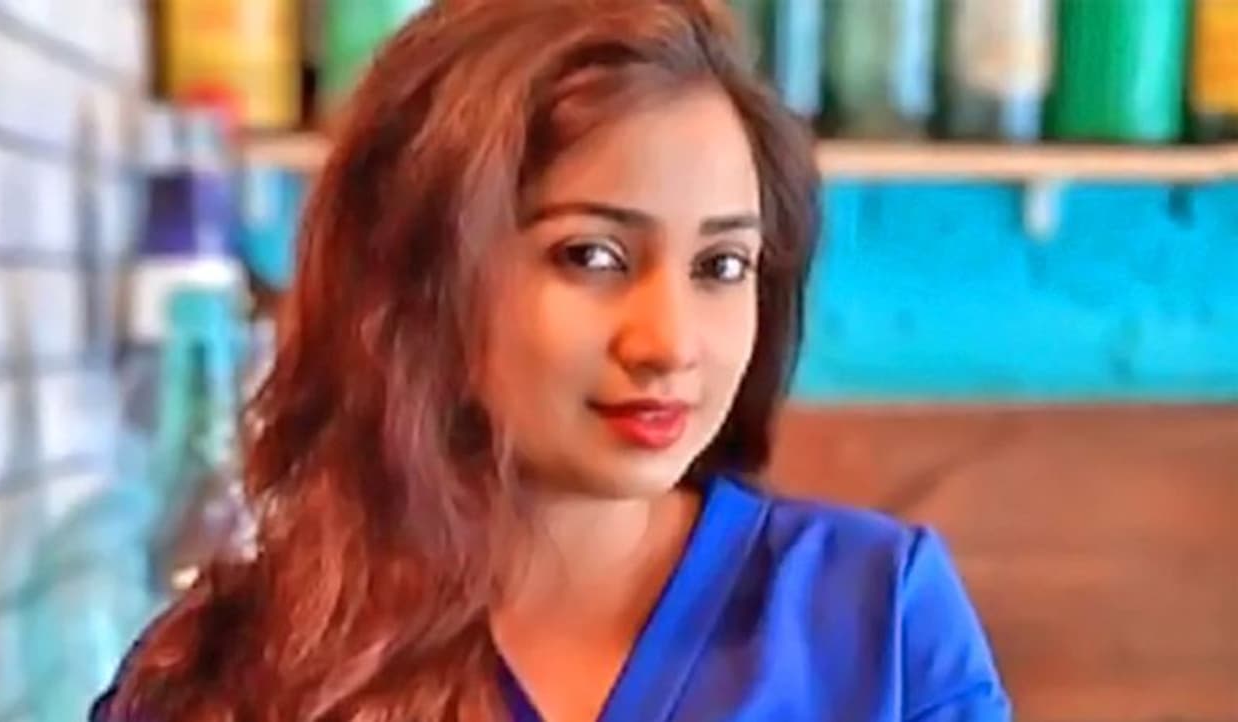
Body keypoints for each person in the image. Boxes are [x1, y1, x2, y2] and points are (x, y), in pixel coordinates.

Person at [93, 1, 1010, 720]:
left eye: (722, 266)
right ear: (417, 275)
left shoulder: (877, 619)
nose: (669, 343)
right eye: (592, 256)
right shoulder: (226, 672)